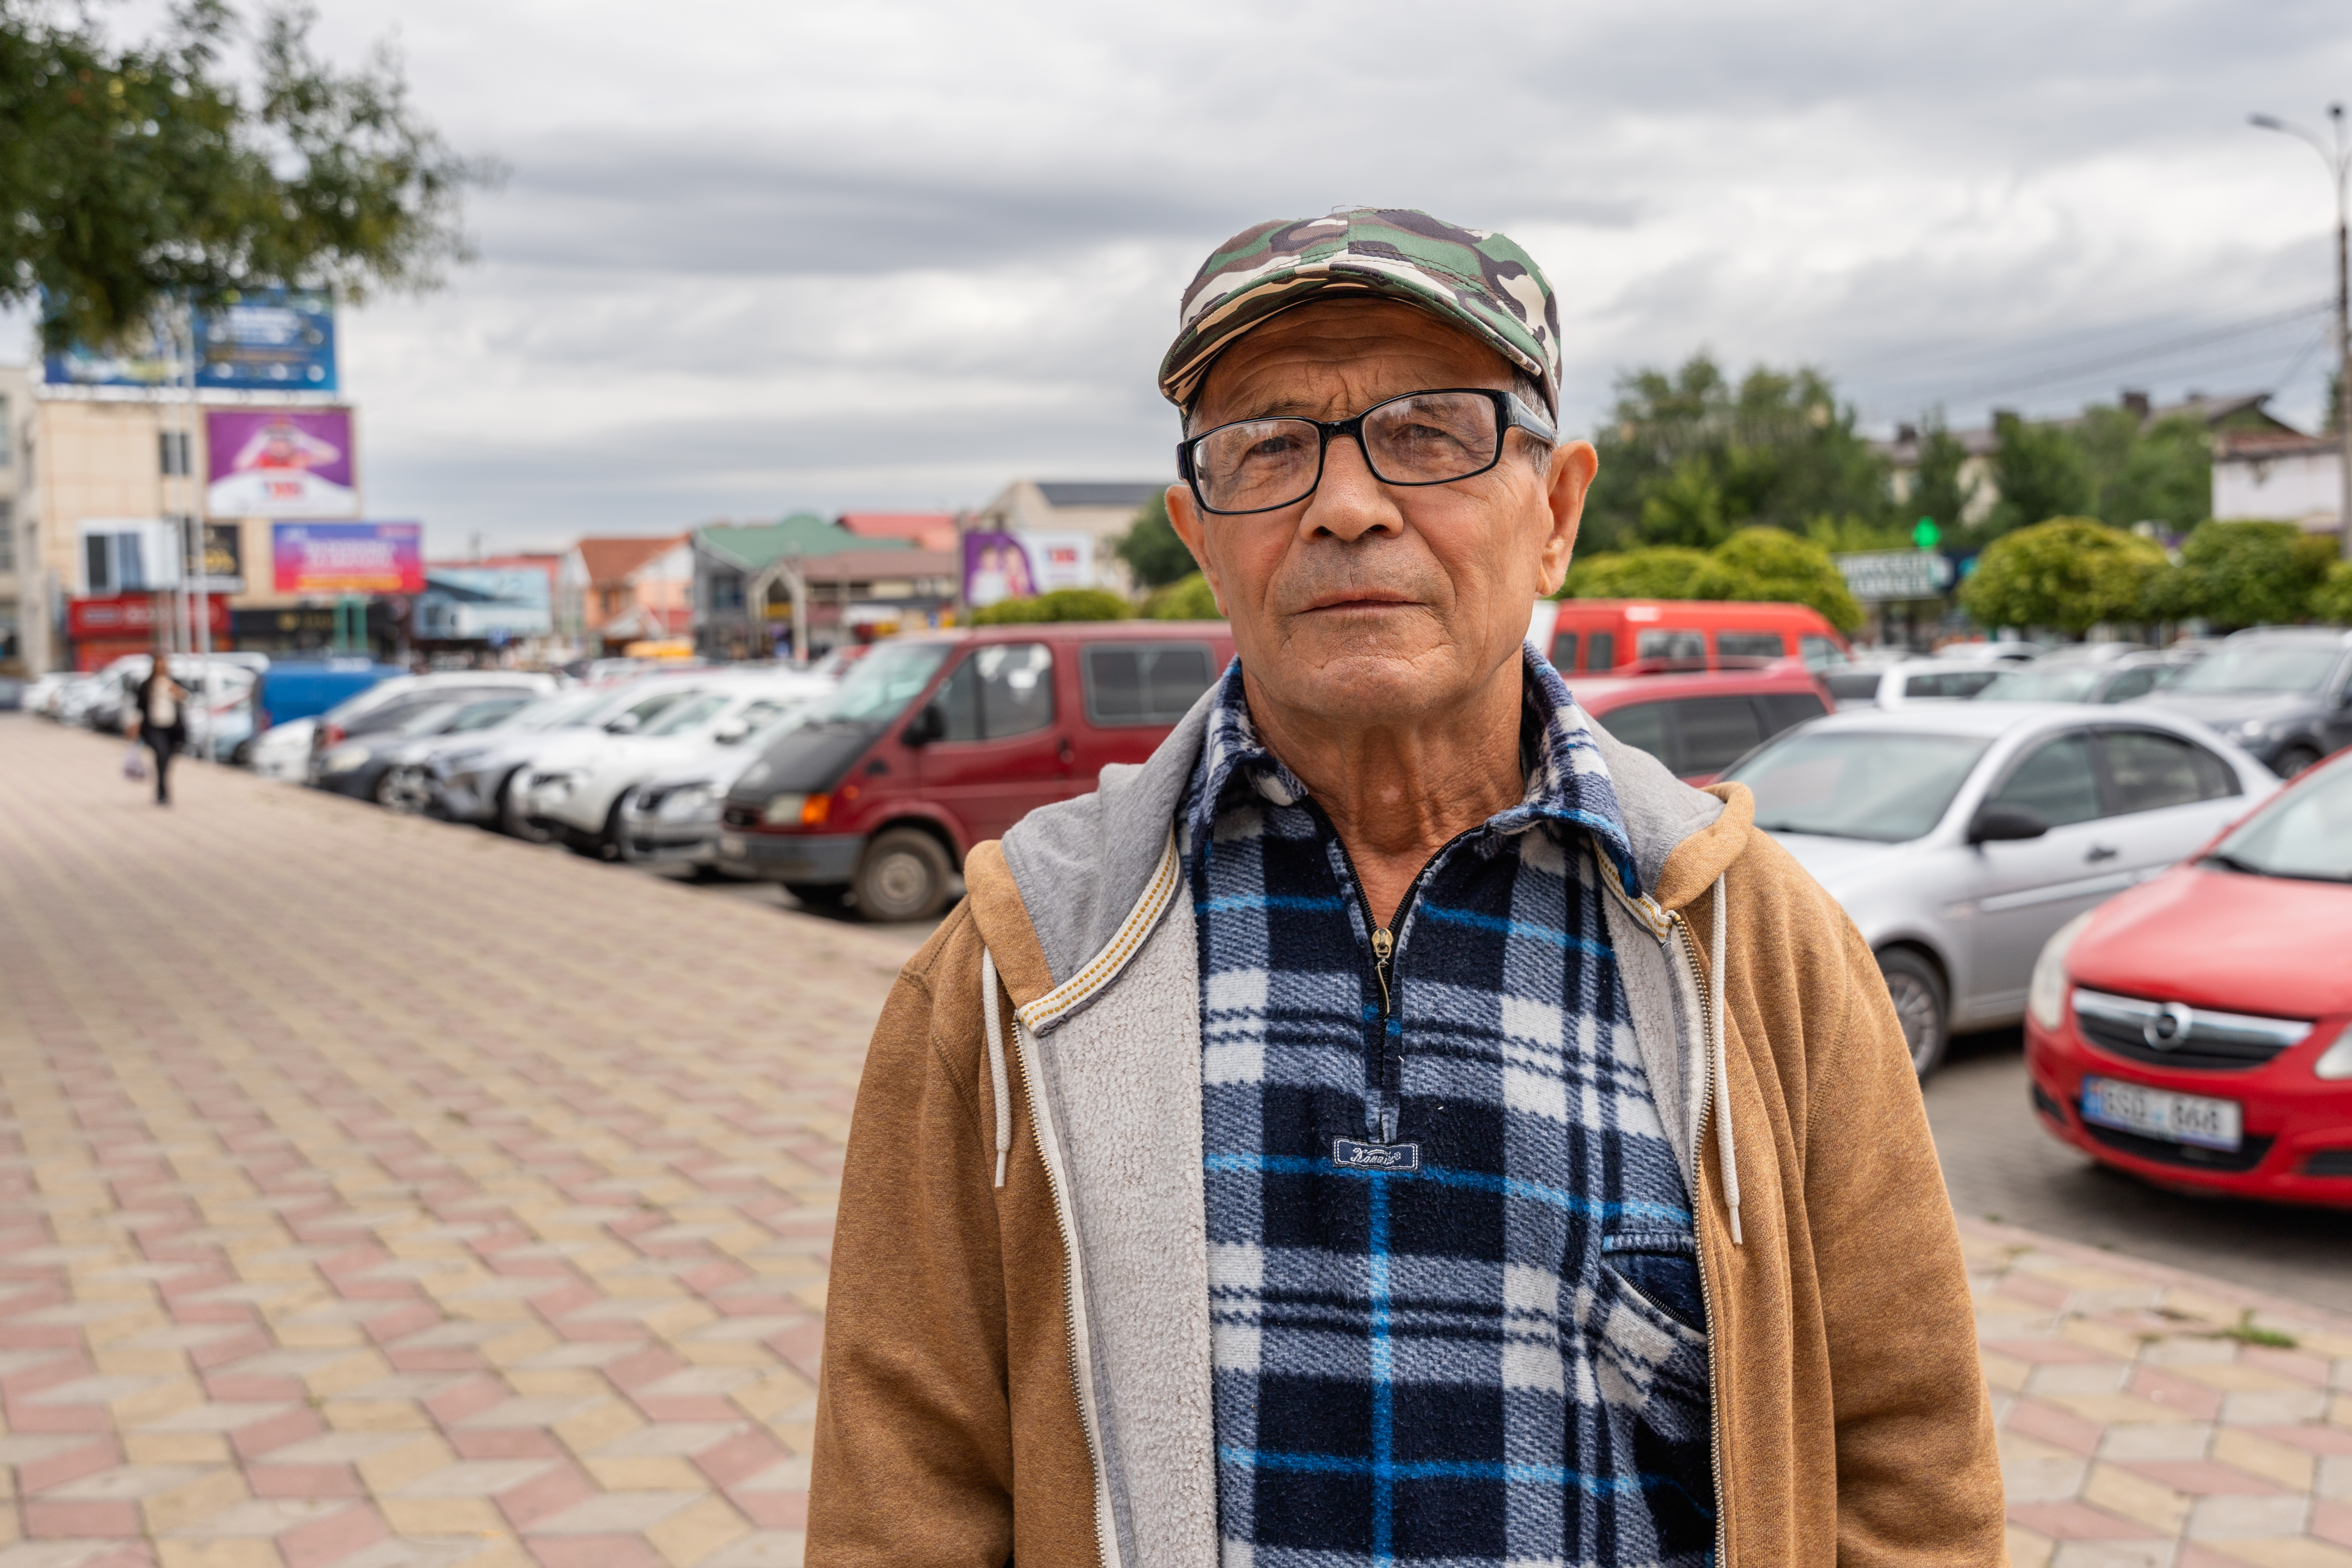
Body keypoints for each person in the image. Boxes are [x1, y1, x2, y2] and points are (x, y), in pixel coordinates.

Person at [809, 209, 2004, 1566]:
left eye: (1432, 432)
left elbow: (1910, 1470)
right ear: (1199, 536)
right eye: (1267, 443)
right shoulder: (1019, 968)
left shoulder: (1757, 952)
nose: (1349, 503)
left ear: (1556, 514)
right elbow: (900, 1498)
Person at [127, 661, 188, 806]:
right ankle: (162, 791)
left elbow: (186, 699)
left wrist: (176, 692)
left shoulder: (174, 682)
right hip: (154, 727)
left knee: (167, 759)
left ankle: (162, 786)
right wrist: (133, 726)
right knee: (162, 753)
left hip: (173, 728)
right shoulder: (147, 685)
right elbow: (139, 707)